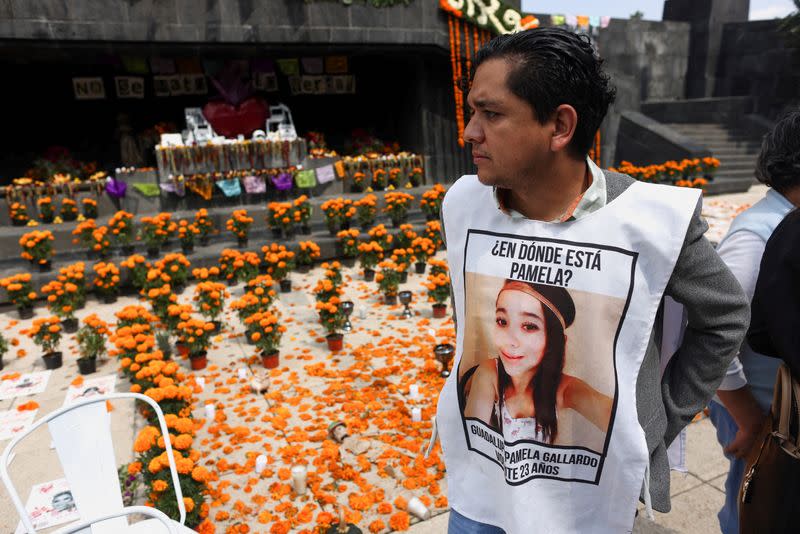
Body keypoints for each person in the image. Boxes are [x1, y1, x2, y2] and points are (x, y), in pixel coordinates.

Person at [435, 27, 749, 534]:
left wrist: (659, 417)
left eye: (491, 114)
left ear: (559, 126)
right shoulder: (465, 204)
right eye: (473, 111)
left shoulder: (651, 220)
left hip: (588, 502)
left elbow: (725, 316)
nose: (470, 131)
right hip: (481, 489)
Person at [707, 110, 800, 534]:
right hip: (757, 407)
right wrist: (749, 419)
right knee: (754, 500)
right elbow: (711, 333)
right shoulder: (758, 233)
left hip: (775, 409)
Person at [462, 280, 612, 444]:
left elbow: (615, 418)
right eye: (502, 321)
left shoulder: (564, 389)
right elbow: (473, 443)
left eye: (529, 326)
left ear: (553, 340)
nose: (510, 341)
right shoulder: (489, 373)